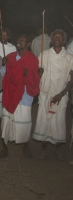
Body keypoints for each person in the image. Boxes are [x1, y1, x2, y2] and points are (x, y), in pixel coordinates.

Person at [0, 34, 40, 158]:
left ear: (28, 44)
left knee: (24, 123)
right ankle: (4, 148)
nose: (20, 41)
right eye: (19, 39)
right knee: (6, 121)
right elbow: (3, 74)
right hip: (10, 93)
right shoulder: (10, 57)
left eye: (24, 40)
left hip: (25, 95)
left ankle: (25, 147)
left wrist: (28, 75)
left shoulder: (32, 59)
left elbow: (35, 80)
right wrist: (3, 64)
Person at [32, 29, 73, 160]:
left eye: (60, 37)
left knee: (59, 123)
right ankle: (43, 149)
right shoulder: (44, 55)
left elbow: (71, 80)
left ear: (64, 41)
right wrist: (39, 73)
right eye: (55, 36)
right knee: (44, 122)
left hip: (61, 95)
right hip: (45, 94)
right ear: (51, 40)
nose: (57, 38)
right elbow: (37, 74)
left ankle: (58, 150)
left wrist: (61, 95)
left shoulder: (69, 58)